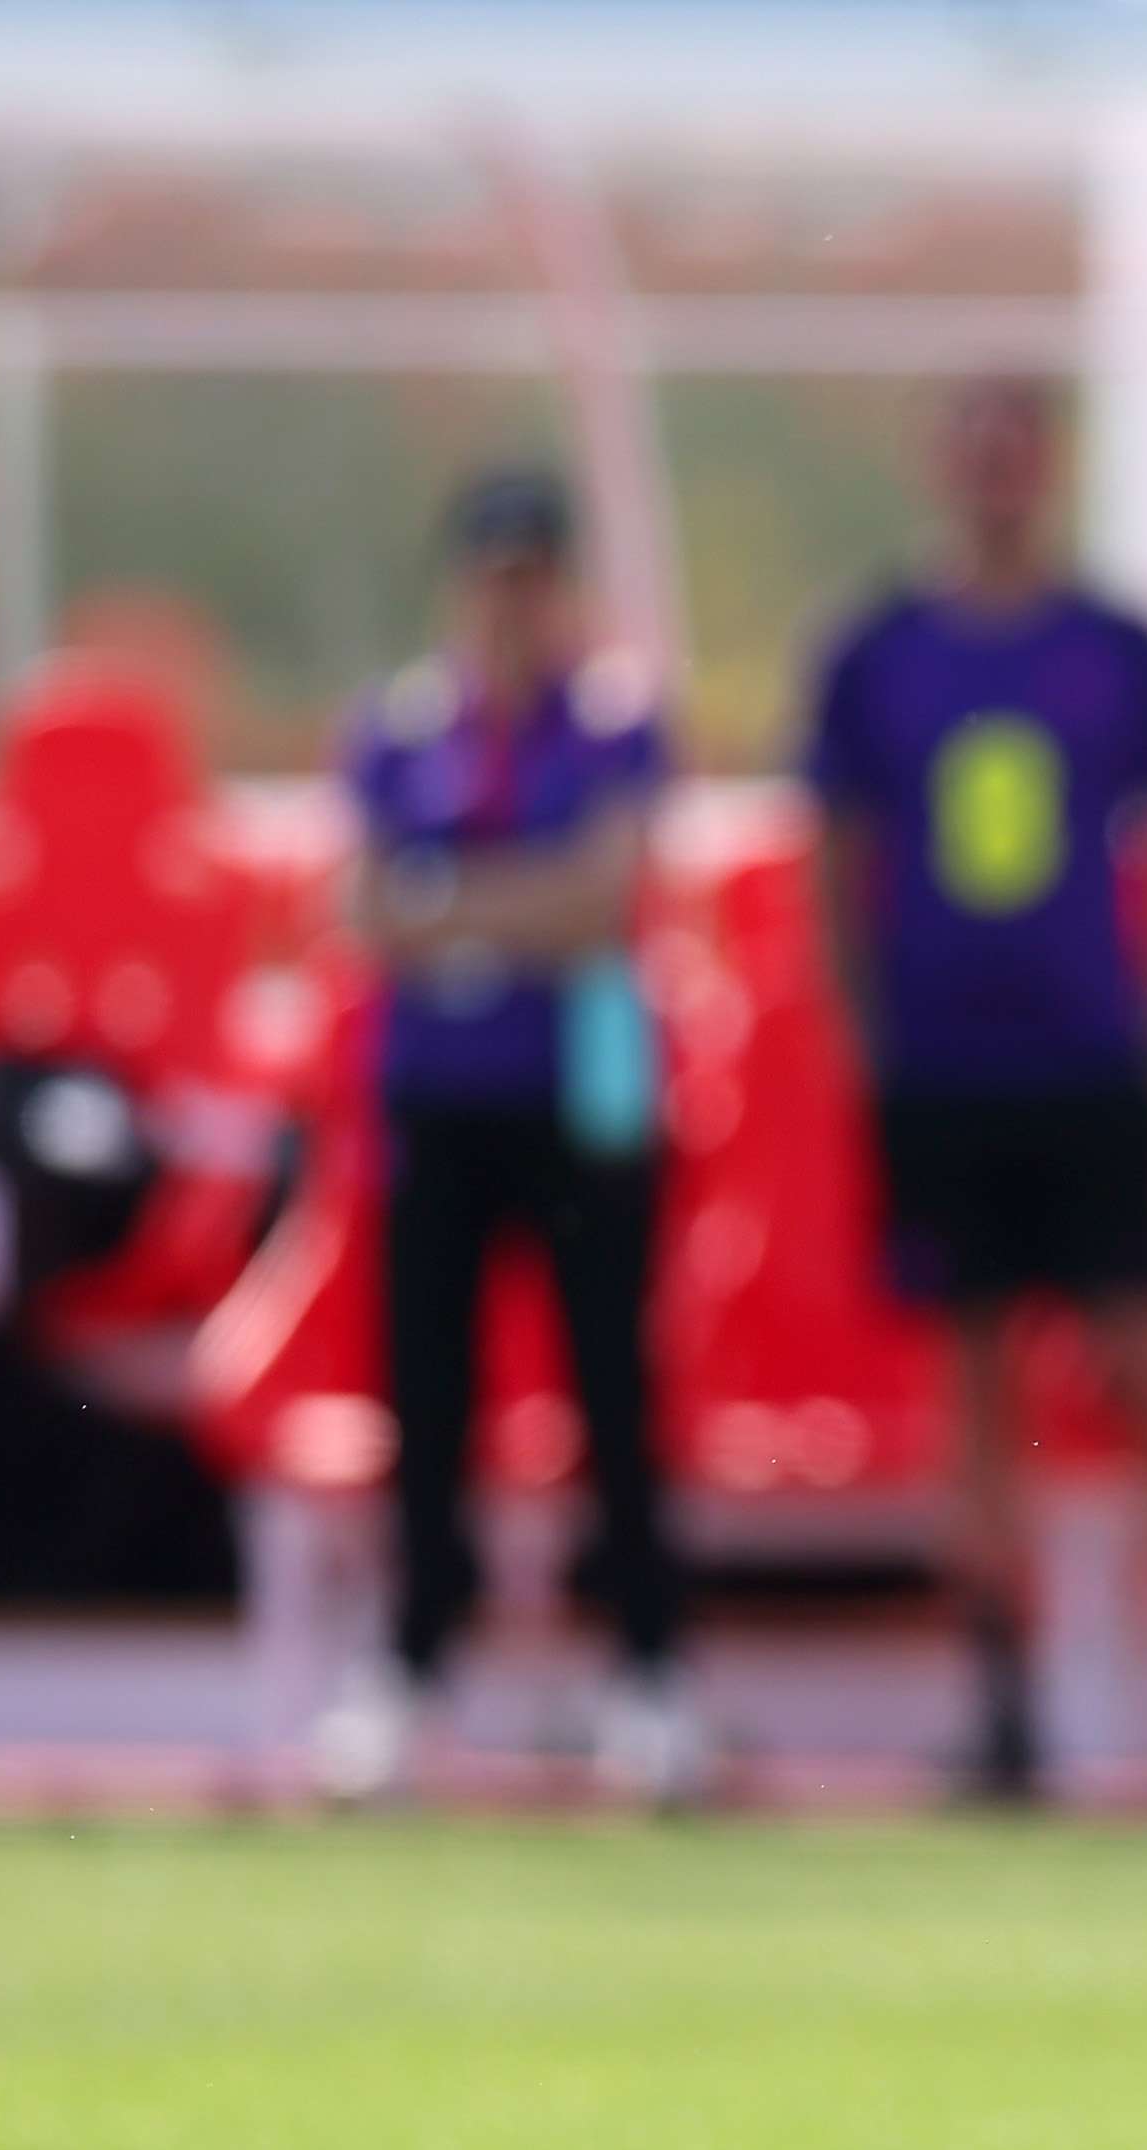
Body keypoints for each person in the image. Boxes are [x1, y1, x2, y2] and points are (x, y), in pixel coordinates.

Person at [800, 378, 1147, 1814]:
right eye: (974, 449)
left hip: (1086, 1064)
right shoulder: (877, 650)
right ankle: (1001, 1701)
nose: (995, 476)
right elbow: (836, 844)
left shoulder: (1115, 650)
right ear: (940, 465)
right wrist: (865, 1021)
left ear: (1046, 468)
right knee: (971, 1379)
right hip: (943, 1066)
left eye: (1017, 450)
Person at [313, 467, 700, 1807]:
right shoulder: (403, 729)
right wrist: (506, 905)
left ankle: (648, 1667)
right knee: (429, 1394)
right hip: (439, 1098)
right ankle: (415, 1656)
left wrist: (449, 904)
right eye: (490, 568)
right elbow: (359, 907)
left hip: (578, 1106)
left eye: (532, 568)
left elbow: (599, 901)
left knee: (612, 1386)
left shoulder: (608, 724)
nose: (510, 593)